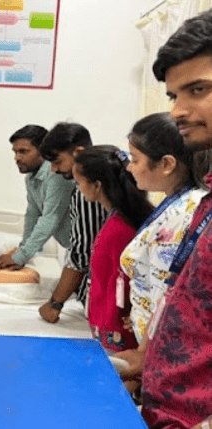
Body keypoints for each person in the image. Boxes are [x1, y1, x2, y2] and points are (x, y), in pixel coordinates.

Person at [117, 10, 212, 429]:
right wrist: (150, 358)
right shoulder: (207, 200)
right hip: (168, 408)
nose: (178, 111)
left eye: (198, 89)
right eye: (174, 95)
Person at [121, 113, 207, 344]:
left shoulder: (182, 214)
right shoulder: (177, 202)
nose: (129, 167)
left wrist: (143, 353)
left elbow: (165, 296)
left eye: (135, 159)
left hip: (157, 346)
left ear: (167, 164)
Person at [72, 145, 153, 353]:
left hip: (118, 331)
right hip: (108, 324)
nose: (78, 189)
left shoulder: (118, 229)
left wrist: (131, 315)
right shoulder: (117, 220)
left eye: (79, 182)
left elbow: (126, 280)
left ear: (96, 185)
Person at [37, 123, 107, 321]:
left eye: (57, 161)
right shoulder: (114, 177)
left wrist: (54, 304)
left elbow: (81, 256)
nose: (54, 169)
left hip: (101, 298)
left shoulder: (88, 192)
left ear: (78, 153)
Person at [0, 125, 75, 270]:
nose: (17, 158)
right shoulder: (31, 179)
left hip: (88, 246)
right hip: (73, 247)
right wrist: (21, 251)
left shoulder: (56, 175)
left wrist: (20, 257)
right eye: (15, 152)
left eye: (23, 151)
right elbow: (32, 215)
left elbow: (50, 219)